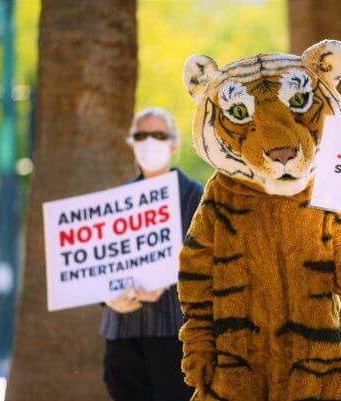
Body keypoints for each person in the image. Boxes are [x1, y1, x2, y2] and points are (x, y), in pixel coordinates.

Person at [100, 107, 202, 401]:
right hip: (122, 333)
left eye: (158, 135)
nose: (149, 142)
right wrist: (109, 297)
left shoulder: (195, 197)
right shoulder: (116, 202)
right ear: (131, 142)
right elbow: (98, 262)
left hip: (173, 331)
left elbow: (209, 261)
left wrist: (169, 280)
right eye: (141, 135)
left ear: (173, 143)